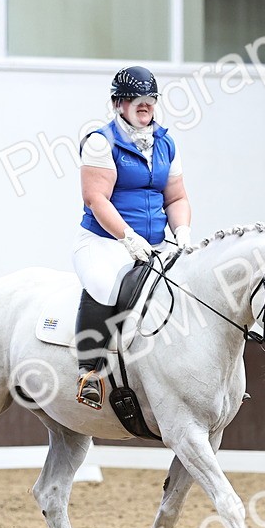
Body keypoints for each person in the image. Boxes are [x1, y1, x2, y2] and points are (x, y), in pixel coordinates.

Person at [71, 65, 192, 409]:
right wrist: (128, 237)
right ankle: (90, 372)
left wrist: (181, 232)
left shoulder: (166, 143)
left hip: (155, 242)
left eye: (150, 100)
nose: (144, 105)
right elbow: (96, 200)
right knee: (106, 283)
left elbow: (177, 197)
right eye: (135, 99)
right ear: (117, 103)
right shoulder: (101, 142)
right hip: (105, 242)